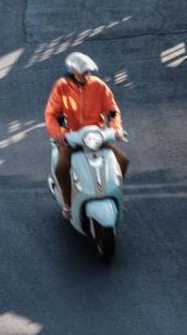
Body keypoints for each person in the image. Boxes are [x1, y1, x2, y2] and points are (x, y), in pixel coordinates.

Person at [45, 53, 129, 218]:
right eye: (83, 72)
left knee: (123, 161)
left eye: (88, 72)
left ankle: (114, 194)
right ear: (72, 72)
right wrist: (57, 134)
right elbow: (51, 114)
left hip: (95, 137)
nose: (87, 75)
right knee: (62, 167)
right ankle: (68, 205)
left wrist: (115, 128)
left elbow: (112, 109)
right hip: (71, 138)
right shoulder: (61, 87)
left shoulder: (98, 85)